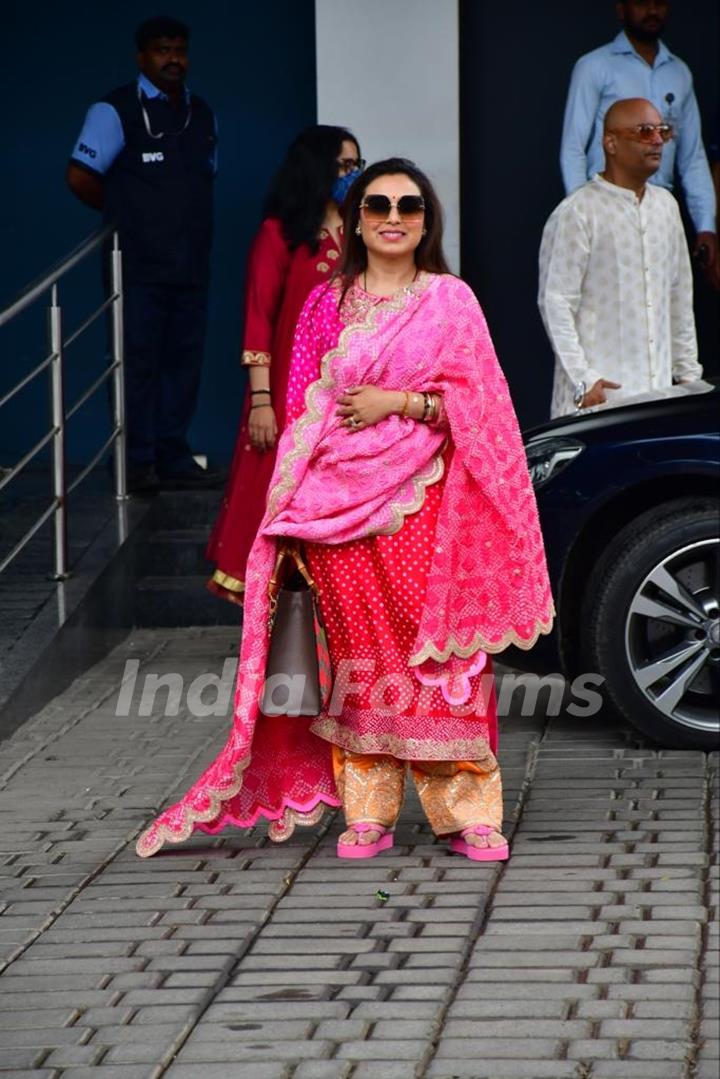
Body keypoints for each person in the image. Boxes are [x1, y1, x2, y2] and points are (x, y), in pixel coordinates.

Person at [136, 159, 554, 862]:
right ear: (356, 219)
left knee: (441, 655)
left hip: (423, 500)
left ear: (427, 221)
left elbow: (486, 408)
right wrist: (289, 509)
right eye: (378, 204)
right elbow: (305, 408)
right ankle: (369, 812)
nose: (394, 217)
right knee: (360, 658)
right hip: (336, 508)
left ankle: (468, 813)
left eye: (409, 206)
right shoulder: (327, 303)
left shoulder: (450, 301)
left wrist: (402, 404)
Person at [206, 126, 363, 605]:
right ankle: (276, 617)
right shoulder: (281, 235)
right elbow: (259, 319)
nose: (353, 175)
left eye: (358, 165)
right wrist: (261, 401)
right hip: (286, 396)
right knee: (277, 496)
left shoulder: (363, 231)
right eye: (343, 166)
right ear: (315, 168)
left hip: (348, 395)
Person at [67, 16, 221, 494]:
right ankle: (136, 462)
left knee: (184, 361)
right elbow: (81, 176)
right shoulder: (114, 110)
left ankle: (173, 454)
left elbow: (205, 178)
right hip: (137, 265)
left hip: (190, 263)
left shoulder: (202, 113)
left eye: (179, 50)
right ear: (142, 57)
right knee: (139, 362)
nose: (173, 59)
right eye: (162, 50)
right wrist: (128, 214)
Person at [540, 98, 702, 417]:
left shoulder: (666, 206)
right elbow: (555, 302)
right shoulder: (578, 212)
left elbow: (679, 297)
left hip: (660, 399)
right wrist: (583, 379)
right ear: (610, 142)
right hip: (597, 402)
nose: (657, 140)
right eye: (644, 131)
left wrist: (688, 379)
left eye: (663, 131)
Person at [560, 0, 718, 285]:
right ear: (621, 9)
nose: (652, 9)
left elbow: (692, 157)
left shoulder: (679, 73)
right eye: (642, 2)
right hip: (607, 208)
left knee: (658, 305)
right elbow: (573, 148)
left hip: (661, 214)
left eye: (659, 2)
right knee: (609, 303)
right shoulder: (595, 66)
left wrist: (706, 225)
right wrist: (581, 214)